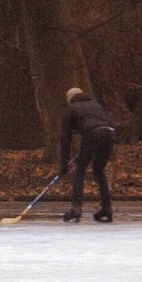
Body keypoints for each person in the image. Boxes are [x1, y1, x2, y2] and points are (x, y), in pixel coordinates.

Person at [56, 87, 117, 223]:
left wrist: (64, 165)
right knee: (99, 170)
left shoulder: (71, 109)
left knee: (80, 170)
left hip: (92, 133)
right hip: (110, 132)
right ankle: (107, 208)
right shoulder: (95, 104)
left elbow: (66, 139)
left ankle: (76, 208)